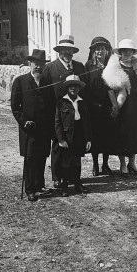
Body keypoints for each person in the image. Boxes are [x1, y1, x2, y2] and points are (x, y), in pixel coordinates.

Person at [41, 34, 87, 189]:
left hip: (75, 113)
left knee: (73, 147)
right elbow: (45, 95)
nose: (67, 53)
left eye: (70, 50)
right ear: (58, 51)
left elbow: (84, 92)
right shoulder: (50, 68)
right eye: (64, 50)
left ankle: (73, 177)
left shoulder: (79, 67)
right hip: (57, 115)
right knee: (58, 146)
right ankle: (57, 176)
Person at [10, 49, 53, 201]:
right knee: (30, 159)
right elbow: (15, 107)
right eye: (36, 64)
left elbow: (52, 104)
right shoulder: (20, 81)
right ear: (30, 63)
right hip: (29, 128)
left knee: (42, 157)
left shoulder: (47, 82)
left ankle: (39, 186)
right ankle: (30, 190)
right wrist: (23, 121)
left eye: (41, 64)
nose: (38, 67)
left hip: (44, 128)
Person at [102, 38, 137, 176]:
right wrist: (115, 106)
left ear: (133, 52)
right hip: (122, 106)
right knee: (122, 135)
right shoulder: (114, 68)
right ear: (120, 52)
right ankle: (123, 165)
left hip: (135, 106)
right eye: (124, 51)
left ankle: (132, 163)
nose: (127, 53)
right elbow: (109, 89)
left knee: (134, 134)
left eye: (130, 51)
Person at [82, 36, 117, 176]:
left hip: (106, 107)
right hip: (93, 107)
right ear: (93, 51)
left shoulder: (111, 64)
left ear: (106, 50)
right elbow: (85, 87)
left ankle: (105, 165)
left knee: (107, 136)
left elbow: (113, 86)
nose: (100, 52)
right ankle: (95, 165)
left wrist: (114, 105)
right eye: (97, 49)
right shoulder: (88, 65)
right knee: (95, 137)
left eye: (102, 49)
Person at [53, 74, 92, 193]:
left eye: (76, 86)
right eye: (70, 86)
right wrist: (61, 139)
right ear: (67, 88)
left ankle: (77, 183)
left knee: (76, 160)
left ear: (79, 88)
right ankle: (64, 186)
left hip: (79, 133)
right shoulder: (62, 102)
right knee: (66, 161)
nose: (73, 89)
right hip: (67, 135)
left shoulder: (83, 102)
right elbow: (58, 122)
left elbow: (87, 122)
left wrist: (88, 139)